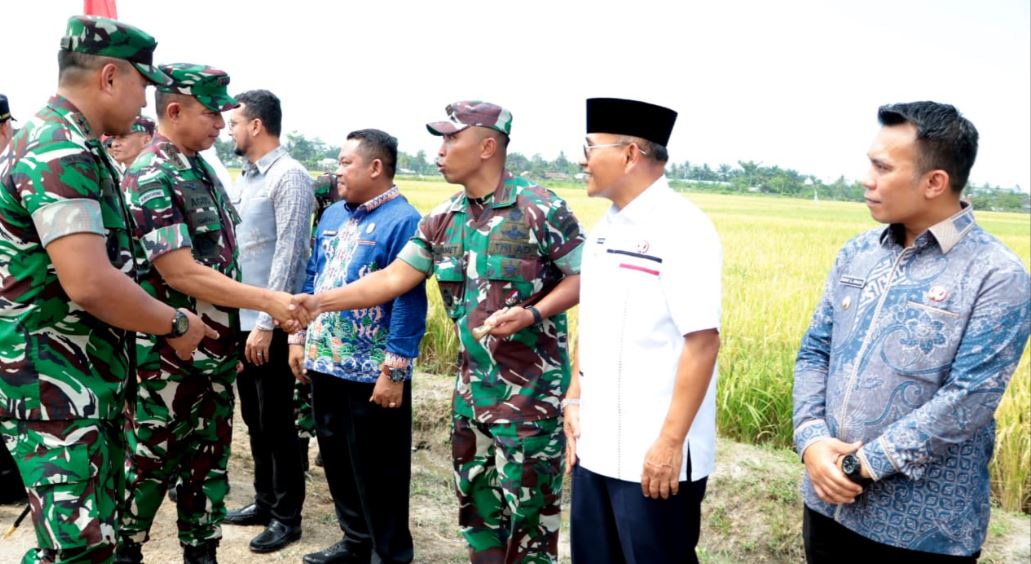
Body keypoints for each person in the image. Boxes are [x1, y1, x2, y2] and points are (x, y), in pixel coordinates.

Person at [292, 101, 586, 563]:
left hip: (530, 400)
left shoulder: (540, 208)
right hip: (469, 397)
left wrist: (533, 313)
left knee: (528, 524)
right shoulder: (443, 218)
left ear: (487, 147)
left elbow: (584, 276)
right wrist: (318, 303)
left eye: (451, 138)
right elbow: (393, 278)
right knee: (478, 516)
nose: (440, 150)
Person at [0, 16, 213, 563]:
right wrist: (176, 323)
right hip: (54, 388)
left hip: (80, 383)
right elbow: (90, 282)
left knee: (92, 543)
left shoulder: (76, 143)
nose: (145, 99)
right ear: (110, 77)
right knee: (79, 551)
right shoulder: (58, 149)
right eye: (142, 83)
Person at [793, 101, 1031, 562]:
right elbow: (815, 351)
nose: (866, 179)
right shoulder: (857, 253)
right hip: (825, 504)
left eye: (882, 167)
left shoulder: (995, 274)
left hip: (921, 530)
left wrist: (857, 466)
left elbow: (970, 398)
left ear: (934, 182)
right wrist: (812, 441)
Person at [115, 64, 309, 564]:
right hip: (167, 358)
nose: (221, 126)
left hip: (213, 354)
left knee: (207, 462)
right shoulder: (152, 173)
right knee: (151, 462)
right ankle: (126, 549)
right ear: (174, 111)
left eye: (225, 116)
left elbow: (223, 257)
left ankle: (201, 550)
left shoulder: (200, 169)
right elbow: (180, 272)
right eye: (211, 114)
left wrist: (233, 336)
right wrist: (267, 302)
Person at [563, 98, 722, 564]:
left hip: (653, 456)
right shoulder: (603, 229)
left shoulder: (683, 228)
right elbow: (592, 321)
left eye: (590, 148)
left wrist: (669, 443)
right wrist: (574, 398)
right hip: (596, 444)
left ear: (630, 154)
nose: (582, 160)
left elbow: (702, 342)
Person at [289, 129, 427, 564]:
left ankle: (390, 553)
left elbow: (408, 299)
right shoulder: (332, 214)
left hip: (372, 372)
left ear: (375, 167)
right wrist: (298, 337)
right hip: (324, 361)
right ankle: (355, 540)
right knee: (336, 456)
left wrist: (394, 371)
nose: (337, 170)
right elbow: (313, 275)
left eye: (346, 162)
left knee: (380, 467)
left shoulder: (404, 220)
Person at [221, 89, 314, 553]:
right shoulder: (246, 177)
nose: (229, 131)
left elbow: (290, 253)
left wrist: (265, 322)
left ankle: (286, 516)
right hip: (243, 321)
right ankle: (264, 500)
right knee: (255, 419)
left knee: (278, 423)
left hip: (271, 324)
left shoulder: (289, 176)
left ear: (256, 125)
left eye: (235, 123)